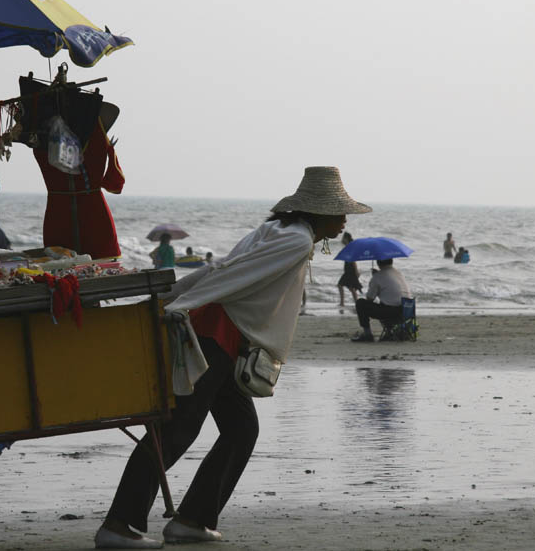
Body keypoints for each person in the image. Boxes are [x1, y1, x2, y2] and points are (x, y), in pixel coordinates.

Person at [94, 166, 371, 549]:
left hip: (224, 338)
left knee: (241, 430)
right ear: (319, 211)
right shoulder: (295, 241)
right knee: (177, 430)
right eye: (339, 212)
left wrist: (177, 295)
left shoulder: (274, 231)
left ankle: (192, 520)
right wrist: (182, 300)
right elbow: (233, 275)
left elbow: (223, 268)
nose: (343, 220)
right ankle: (119, 524)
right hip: (215, 337)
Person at [351, 259, 411, 342]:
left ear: (378, 263)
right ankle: (390, 331)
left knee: (360, 303)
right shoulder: (398, 273)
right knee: (384, 302)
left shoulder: (377, 276)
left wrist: (374, 278)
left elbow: (370, 298)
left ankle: (367, 334)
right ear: (391, 261)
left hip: (391, 312)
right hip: (406, 310)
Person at [336, 232, 362, 306]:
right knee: (351, 288)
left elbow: (353, 260)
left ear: (346, 239)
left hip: (350, 269)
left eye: (343, 237)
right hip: (348, 269)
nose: (342, 239)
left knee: (341, 285)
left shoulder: (350, 247)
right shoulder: (348, 246)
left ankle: (342, 303)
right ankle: (356, 303)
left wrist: (356, 271)